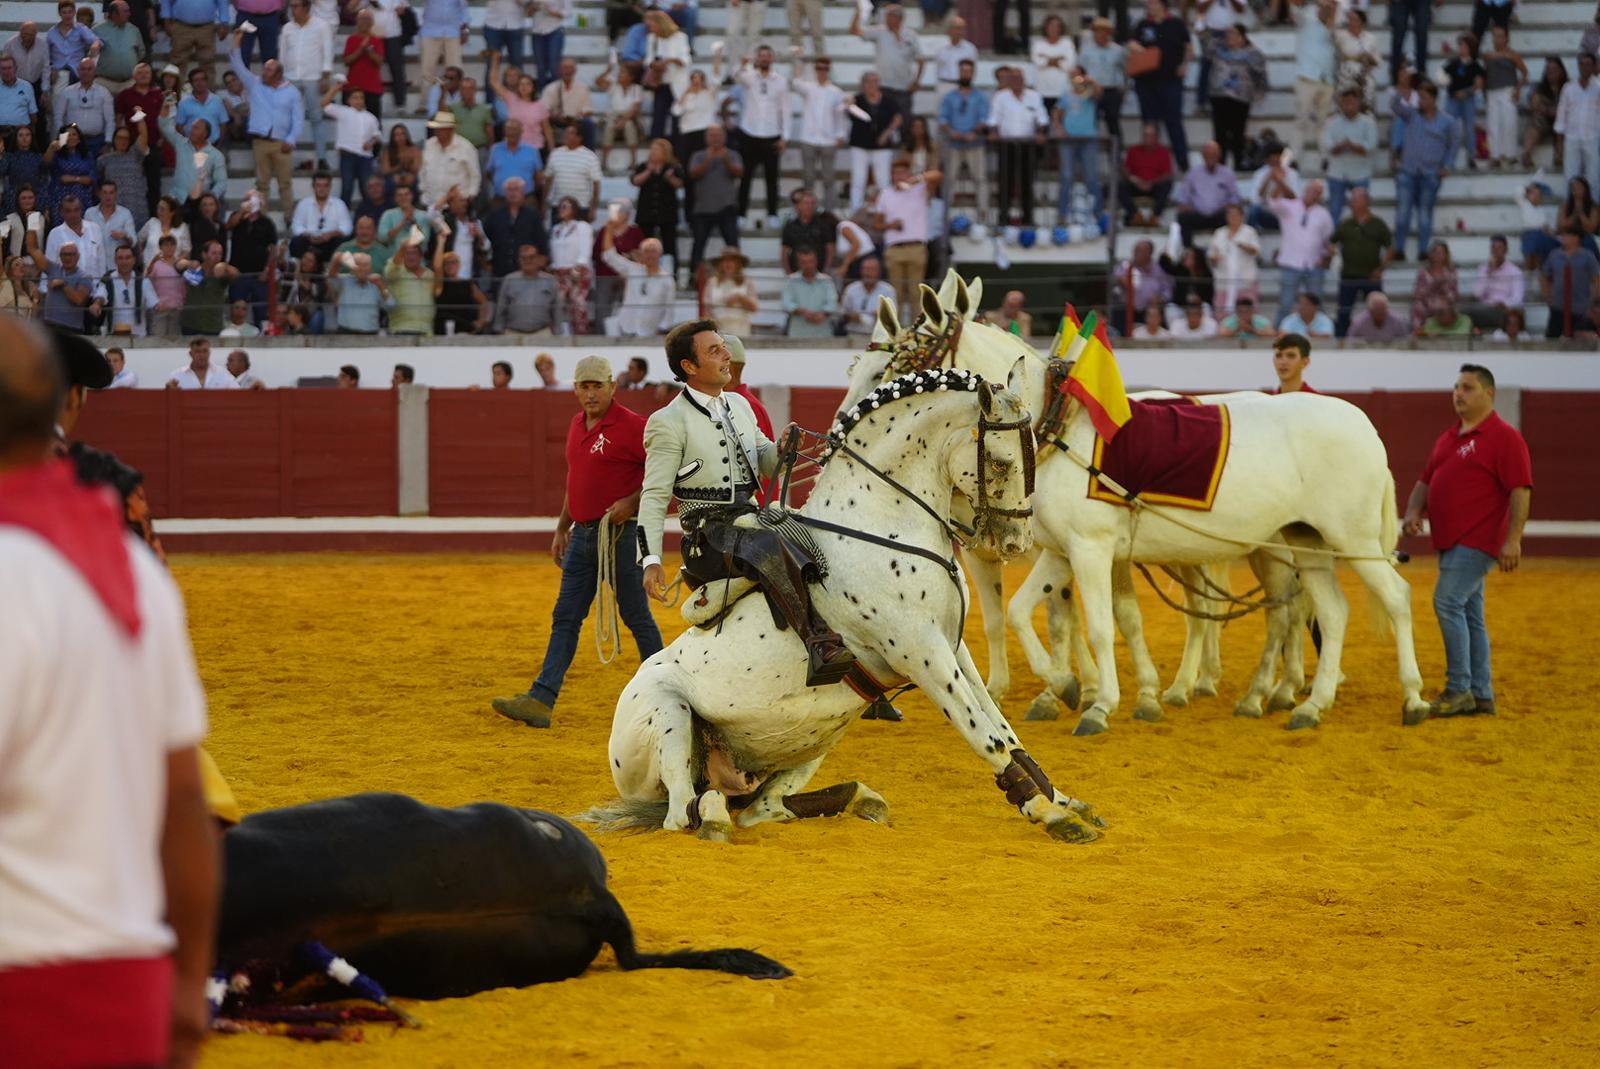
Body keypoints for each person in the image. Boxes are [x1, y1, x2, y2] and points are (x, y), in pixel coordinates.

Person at [0, 315, 217, 1069]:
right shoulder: (131, 569)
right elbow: (184, 806)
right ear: (67, 406)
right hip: (127, 981)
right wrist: (188, 982)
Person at [639, 319, 853, 686]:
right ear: (689, 367)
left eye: (723, 347)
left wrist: (782, 449)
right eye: (715, 350)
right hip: (706, 536)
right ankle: (818, 642)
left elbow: (765, 461)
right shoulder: (667, 421)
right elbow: (654, 496)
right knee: (771, 544)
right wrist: (651, 559)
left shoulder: (739, 405)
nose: (727, 356)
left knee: (821, 535)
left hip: (751, 517)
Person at [491, 351, 664, 727]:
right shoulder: (576, 424)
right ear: (574, 390)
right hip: (584, 537)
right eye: (583, 387)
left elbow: (665, 476)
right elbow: (577, 482)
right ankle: (541, 699)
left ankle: (669, 691)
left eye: (596, 386)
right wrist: (561, 527)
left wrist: (632, 503)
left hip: (621, 537)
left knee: (636, 617)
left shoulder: (636, 426)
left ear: (612, 387)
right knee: (565, 617)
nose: (590, 394)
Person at [1402, 364, 1532, 720]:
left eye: (1468, 388)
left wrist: (1514, 540)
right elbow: (1426, 480)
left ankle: (1459, 689)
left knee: (1446, 603)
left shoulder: (1505, 437)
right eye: (1457, 387)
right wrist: (1414, 510)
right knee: (1470, 614)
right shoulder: (1449, 436)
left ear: (1489, 394)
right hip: (1451, 540)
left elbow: (1520, 489)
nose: (1459, 394)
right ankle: (1480, 693)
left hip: (1478, 539)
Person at [229, 29, 304, 218]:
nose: (264, 72)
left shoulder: (292, 92)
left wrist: (292, 139)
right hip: (260, 142)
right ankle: (261, 217)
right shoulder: (255, 83)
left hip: (281, 143)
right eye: (264, 68)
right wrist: (237, 40)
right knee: (262, 183)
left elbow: (298, 119)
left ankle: (289, 218)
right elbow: (237, 65)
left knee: (285, 183)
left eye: (268, 70)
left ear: (278, 73)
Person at [1391, 80, 1457, 262]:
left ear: (1434, 99)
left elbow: (1453, 145)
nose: (1420, 101)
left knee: (1425, 214)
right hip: (1408, 171)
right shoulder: (1411, 114)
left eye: (1425, 97)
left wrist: (1448, 165)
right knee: (1403, 212)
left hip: (1431, 173)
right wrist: (1401, 94)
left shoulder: (1447, 121)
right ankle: (1399, 248)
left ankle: (1422, 250)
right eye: (1419, 97)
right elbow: (1395, 106)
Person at [1128, 0, 1191, 171]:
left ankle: (1182, 161)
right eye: (1148, 4)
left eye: (1153, 3)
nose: (1149, 6)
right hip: (1145, 81)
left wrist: (1184, 65)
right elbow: (1131, 43)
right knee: (1149, 123)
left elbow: (1188, 47)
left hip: (1170, 80)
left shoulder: (1176, 24)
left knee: (1174, 122)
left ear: (1163, 6)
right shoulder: (1142, 24)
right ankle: (1150, 166)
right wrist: (1144, 51)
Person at [1263, 171, 1333, 319]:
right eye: (1312, 190)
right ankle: (1279, 336)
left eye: (1318, 192)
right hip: (1290, 263)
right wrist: (1279, 182)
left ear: (1321, 196)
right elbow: (1271, 202)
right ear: (1305, 190)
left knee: (1317, 303)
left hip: (1313, 265)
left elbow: (1327, 242)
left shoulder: (1324, 214)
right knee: (1286, 304)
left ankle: (1319, 334)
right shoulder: (1290, 206)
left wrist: (1326, 258)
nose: (1314, 194)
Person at [1326, 186, 1393, 337]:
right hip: (1349, 274)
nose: (1352, 203)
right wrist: (1333, 253)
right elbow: (1331, 242)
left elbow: (1390, 248)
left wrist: (1380, 269)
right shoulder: (1346, 224)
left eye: (1355, 200)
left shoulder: (1378, 224)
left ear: (1366, 202)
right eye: (1352, 201)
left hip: (1371, 275)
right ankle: (1341, 340)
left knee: (1378, 308)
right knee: (1344, 311)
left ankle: (1382, 337)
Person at [733, 46, 787, 229]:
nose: (764, 59)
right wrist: (743, 64)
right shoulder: (750, 76)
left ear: (772, 58)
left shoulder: (780, 81)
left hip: (772, 135)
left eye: (767, 56)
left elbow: (785, 110)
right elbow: (736, 75)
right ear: (757, 58)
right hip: (749, 133)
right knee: (745, 177)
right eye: (761, 56)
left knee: (772, 179)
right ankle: (741, 214)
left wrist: (784, 137)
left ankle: (772, 214)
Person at [989, 64, 1046, 226]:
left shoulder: (1034, 96)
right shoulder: (1000, 96)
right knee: (1005, 182)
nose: (1017, 81)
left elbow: (1042, 118)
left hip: (1028, 145)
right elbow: (994, 118)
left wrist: (1041, 132)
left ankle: (1028, 218)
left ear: (1024, 80)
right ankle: (1003, 217)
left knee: (1027, 182)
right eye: (1013, 78)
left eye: (1019, 78)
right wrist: (993, 131)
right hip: (1007, 144)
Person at [280, 0, 333, 171]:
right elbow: (282, 54)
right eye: (292, 6)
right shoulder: (287, 28)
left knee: (317, 118)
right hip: (290, 78)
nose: (293, 10)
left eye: (296, 6)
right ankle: (284, 158)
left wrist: (326, 75)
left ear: (307, 7)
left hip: (313, 77)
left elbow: (328, 50)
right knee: (287, 119)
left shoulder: (322, 25)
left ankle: (322, 157)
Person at [850, 5, 922, 130]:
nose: (886, 19)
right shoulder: (880, 31)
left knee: (905, 123)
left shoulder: (910, 35)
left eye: (889, 16)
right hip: (883, 87)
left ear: (898, 18)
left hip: (904, 88)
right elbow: (854, 31)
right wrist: (858, 12)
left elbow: (921, 60)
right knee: (883, 123)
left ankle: (903, 149)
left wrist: (916, 81)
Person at [1207, 24, 1267, 171]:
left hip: (1241, 98)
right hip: (1219, 97)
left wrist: (1259, 92)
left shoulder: (1253, 53)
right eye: (1228, 34)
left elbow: (1260, 73)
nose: (1230, 37)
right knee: (1219, 133)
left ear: (1242, 37)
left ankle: (1238, 163)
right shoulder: (1218, 50)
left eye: (1233, 34)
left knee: (1238, 133)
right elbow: (1206, 47)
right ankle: (1220, 165)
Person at [687, 123, 742, 280]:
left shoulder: (732, 154)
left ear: (724, 137)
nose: (716, 138)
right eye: (712, 135)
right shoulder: (698, 155)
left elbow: (739, 172)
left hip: (727, 208)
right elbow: (693, 174)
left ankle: (738, 278)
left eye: (719, 135)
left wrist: (725, 160)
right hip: (703, 209)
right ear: (706, 138)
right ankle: (693, 279)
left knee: (733, 246)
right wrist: (707, 160)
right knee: (698, 246)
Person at [599, 225, 673, 337]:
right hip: (625, 329)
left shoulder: (667, 279)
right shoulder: (632, 269)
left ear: (659, 254)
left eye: (653, 251)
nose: (650, 255)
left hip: (650, 333)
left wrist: (662, 329)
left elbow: (669, 308)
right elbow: (609, 256)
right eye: (647, 251)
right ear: (642, 254)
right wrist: (610, 225)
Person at [938, 58, 989, 223]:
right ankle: (945, 214)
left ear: (973, 74)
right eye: (962, 71)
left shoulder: (980, 96)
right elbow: (943, 119)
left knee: (980, 179)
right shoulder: (950, 97)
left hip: (974, 143)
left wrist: (974, 132)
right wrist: (951, 132)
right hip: (954, 144)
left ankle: (983, 214)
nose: (965, 74)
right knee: (949, 179)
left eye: (968, 71)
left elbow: (984, 118)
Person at [845, 71, 901, 214]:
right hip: (860, 145)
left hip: (882, 147)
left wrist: (887, 133)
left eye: (874, 81)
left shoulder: (888, 101)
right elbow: (847, 114)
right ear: (863, 84)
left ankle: (885, 210)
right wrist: (848, 105)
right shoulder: (856, 100)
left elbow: (898, 118)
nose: (871, 85)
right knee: (858, 179)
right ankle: (855, 210)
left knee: (883, 180)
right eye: (868, 82)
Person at [1320, 88, 1378, 225]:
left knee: (1361, 210)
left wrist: (1351, 146)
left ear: (1358, 103)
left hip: (1360, 174)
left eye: (1352, 102)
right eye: (1345, 102)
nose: (1348, 105)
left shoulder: (1368, 122)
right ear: (1340, 104)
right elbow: (1328, 146)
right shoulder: (1332, 122)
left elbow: (1370, 147)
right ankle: (1334, 244)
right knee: (1335, 211)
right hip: (1336, 174)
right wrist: (1343, 146)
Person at [319, 81, 381, 206]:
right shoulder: (343, 111)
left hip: (365, 157)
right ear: (349, 100)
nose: (358, 100)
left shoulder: (371, 117)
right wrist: (335, 88)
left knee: (366, 188)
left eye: (361, 97)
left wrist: (370, 143)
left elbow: (377, 136)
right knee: (347, 187)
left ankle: (368, 216)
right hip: (348, 155)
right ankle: (343, 218)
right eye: (355, 97)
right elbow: (323, 104)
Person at [1054, 68, 1102, 223]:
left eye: (1077, 75)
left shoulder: (1089, 92)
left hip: (1088, 139)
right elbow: (1057, 114)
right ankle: (1062, 213)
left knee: (1091, 177)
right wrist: (1060, 129)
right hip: (1068, 140)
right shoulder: (1066, 95)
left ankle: (1097, 213)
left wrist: (1091, 80)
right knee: (1066, 177)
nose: (1074, 78)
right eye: (1072, 76)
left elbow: (1099, 94)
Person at [1174, 141, 1239, 246]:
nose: (1211, 157)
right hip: (1198, 214)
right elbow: (1183, 197)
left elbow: (1235, 198)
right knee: (1182, 217)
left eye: (1214, 154)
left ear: (1219, 156)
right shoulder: (1192, 173)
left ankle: (1224, 249)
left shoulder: (1227, 174)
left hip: (1219, 215)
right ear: (1203, 156)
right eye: (1208, 154)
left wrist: (1228, 206)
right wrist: (1185, 206)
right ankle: (1188, 250)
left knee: (1231, 216)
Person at [1540, 226, 1600, 339]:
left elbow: (1597, 279)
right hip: (1558, 305)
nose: (1563, 238)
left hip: (1581, 307)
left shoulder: (1587, 256)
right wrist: (1547, 294)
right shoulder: (1554, 255)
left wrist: (1594, 301)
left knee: (1580, 338)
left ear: (1576, 238)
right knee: (1552, 338)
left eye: (1567, 235)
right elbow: (1544, 275)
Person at [1556, 53, 1600, 201]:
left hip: (1593, 138)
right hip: (1572, 138)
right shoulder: (1568, 88)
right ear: (1578, 66)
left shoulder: (1599, 87)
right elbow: (1561, 117)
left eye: (1588, 64)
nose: (1585, 68)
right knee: (1570, 176)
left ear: (1594, 67)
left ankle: (1593, 212)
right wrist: (1560, 143)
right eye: (1582, 64)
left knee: (1593, 177)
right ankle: (1569, 208)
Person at [492, 245, 561, 337]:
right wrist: (499, 330)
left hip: (542, 333)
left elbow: (556, 308)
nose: (528, 261)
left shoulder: (549, 281)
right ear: (519, 260)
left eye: (531, 257)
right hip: (513, 333)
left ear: (538, 259)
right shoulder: (509, 280)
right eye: (523, 258)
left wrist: (557, 332)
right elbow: (501, 308)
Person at [1441, 32, 1485, 172]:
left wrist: (1466, 92)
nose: (1461, 48)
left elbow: (1479, 83)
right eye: (1460, 45)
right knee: (1450, 129)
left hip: (1467, 99)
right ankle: (1448, 160)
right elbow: (1443, 76)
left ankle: (1471, 157)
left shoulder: (1475, 65)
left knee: (1469, 129)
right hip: (1453, 98)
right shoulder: (1454, 63)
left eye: (1463, 46)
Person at [418, 110, 481, 206]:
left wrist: (470, 197)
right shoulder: (429, 145)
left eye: (441, 129)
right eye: (436, 129)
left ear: (450, 130)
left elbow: (475, 175)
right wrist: (423, 189)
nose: (437, 131)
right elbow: (422, 171)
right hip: (430, 203)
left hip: (456, 205)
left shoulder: (466, 147)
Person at [1119, 122, 1175, 226]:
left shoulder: (1163, 152)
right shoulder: (1133, 150)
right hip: (1136, 184)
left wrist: (1151, 183)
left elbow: (1168, 174)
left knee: (1166, 185)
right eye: (1145, 135)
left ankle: (1154, 217)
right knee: (1120, 185)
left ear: (1156, 137)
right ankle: (1135, 215)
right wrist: (1136, 181)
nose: (1147, 138)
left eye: (1150, 135)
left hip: (1154, 186)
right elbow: (1125, 170)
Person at [289, 170, 352, 262]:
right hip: (310, 242)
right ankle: (301, 270)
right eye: (318, 185)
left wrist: (331, 234)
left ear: (330, 187)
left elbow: (347, 228)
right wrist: (308, 235)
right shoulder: (303, 204)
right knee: (296, 242)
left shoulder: (339, 204)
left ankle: (330, 269)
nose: (321, 189)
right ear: (313, 186)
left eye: (325, 185)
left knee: (342, 242)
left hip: (330, 242)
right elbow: (296, 227)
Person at [1079, 16, 1125, 141]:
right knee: (1091, 123)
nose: (1098, 34)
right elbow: (1079, 72)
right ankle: (1091, 155)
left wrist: (1123, 90)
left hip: (1112, 90)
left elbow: (1124, 70)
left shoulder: (1118, 50)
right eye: (1096, 31)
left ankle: (1116, 155)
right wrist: (1083, 92)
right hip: (1091, 90)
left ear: (1108, 33)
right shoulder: (1086, 51)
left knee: (1113, 121)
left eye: (1102, 31)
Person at [1465, 234, 1524, 331]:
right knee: (1463, 312)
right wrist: (1489, 274)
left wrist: (1504, 303)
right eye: (1493, 248)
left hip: (1503, 310)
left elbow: (1518, 298)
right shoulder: (1483, 269)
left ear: (1506, 250)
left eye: (1499, 248)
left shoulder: (1515, 271)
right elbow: (1477, 294)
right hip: (1485, 308)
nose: (1496, 251)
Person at [1208, 201, 1259, 311]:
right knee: (1221, 313)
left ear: (1242, 216)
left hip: (1245, 280)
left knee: (1246, 313)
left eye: (1235, 214)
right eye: (1230, 215)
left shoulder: (1249, 232)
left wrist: (1243, 246)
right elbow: (1212, 255)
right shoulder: (1219, 233)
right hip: (1224, 280)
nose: (1233, 217)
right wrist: (1215, 258)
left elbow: (1255, 251)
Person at [328, 250, 392, 335]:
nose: (362, 268)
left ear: (370, 268)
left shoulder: (377, 283)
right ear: (352, 267)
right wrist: (338, 259)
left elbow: (391, 306)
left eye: (365, 265)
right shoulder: (344, 280)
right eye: (358, 264)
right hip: (345, 332)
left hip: (370, 334)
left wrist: (382, 287)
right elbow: (331, 276)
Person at [781, 246, 837, 338]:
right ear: (798, 263)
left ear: (816, 261)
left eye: (810, 261)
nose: (808, 265)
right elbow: (786, 303)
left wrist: (822, 314)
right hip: (797, 333)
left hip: (823, 332)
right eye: (803, 262)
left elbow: (833, 303)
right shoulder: (791, 280)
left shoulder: (826, 280)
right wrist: (803, 312)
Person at [705, 246, 757, 336]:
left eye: (732, 260)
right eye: (725, 260)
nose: (728, 264)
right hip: (718, 328)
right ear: (720, 263)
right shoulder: (712, 282)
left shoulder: (747, 282)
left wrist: (740, 298)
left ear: (738, 264)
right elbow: (706, 308)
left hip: (740, 327)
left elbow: (754, 307)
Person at [839, 255, 895, 337]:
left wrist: (881, 314)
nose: (868, 273)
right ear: (861, 271)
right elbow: (843, 313)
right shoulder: (851, 289)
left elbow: (893, 315)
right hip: (854, 334)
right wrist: (851, 316)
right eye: (866, 269)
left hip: (880, 336)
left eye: (872, 269)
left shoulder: (888, 290)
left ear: (879, 272)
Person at [1411, 240, 1460, 331]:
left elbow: (1454, 294)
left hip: (1444, 302)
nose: (1438, 255)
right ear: (1431, 254)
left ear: (1446, 255)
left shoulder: (1451, 272)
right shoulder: (1423, 272)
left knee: (1446, 309)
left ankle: (1445, 334)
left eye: (1441, 253)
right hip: (1427, 302)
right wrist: (1433, 285)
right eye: (1436, 252)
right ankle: (1419, 332)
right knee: (1417, 306)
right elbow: (1417, 294)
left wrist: (1444, 288)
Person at [166, 336, 237, 389]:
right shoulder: (177, 376)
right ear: (191, 354)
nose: (201, 355)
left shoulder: (223, 373)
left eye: (205, 351)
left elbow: (238, 393)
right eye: (197, 351)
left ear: (209, 353)